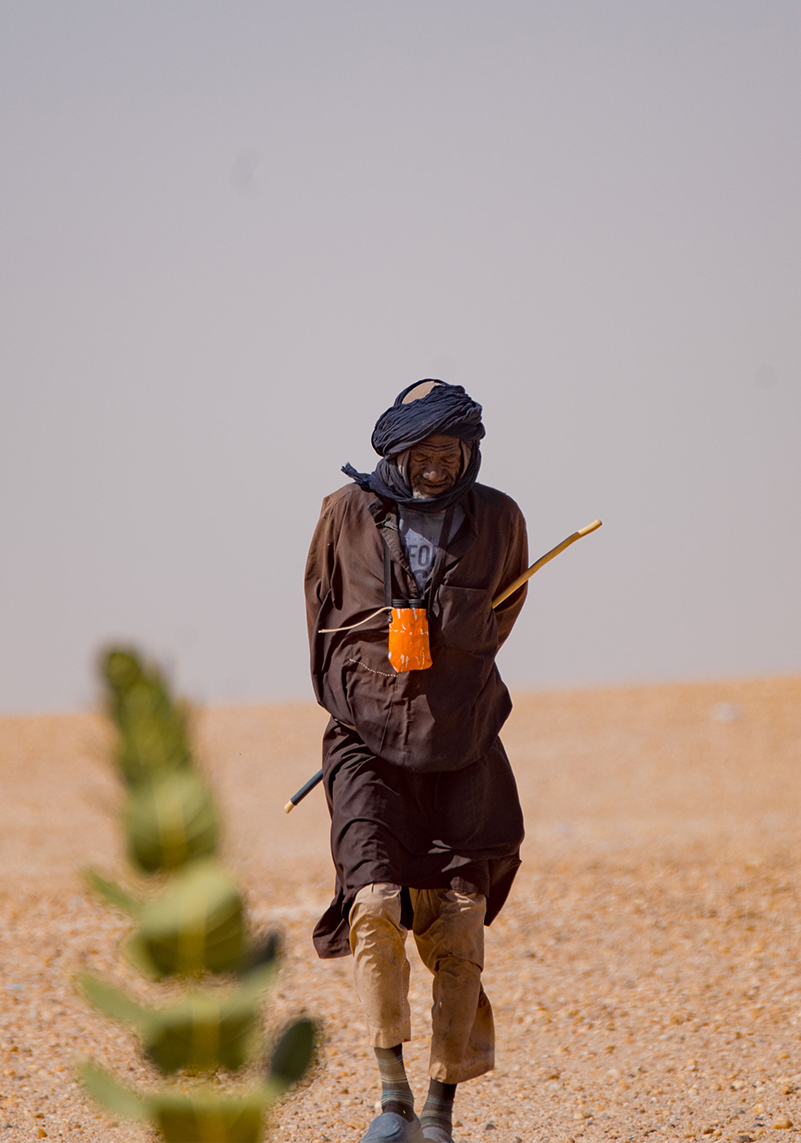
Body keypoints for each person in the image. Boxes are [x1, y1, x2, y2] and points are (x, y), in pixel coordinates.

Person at [305, 379, 529, 1143]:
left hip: (463, 740)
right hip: (365, 744)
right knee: (371, 906)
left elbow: (501, 616)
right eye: (424, 452)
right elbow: (321, 622)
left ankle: (439, 1111)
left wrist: (450, 642)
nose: (437, 465)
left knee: (461, 924)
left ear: (469, 449)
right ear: (397, 451)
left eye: (451, 451)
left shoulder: (498, 518)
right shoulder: (343, 515)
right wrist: (367, 692)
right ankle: (390, 1094)